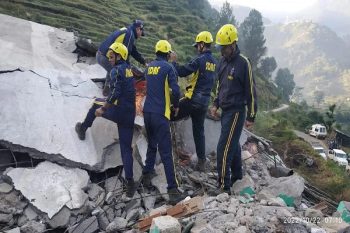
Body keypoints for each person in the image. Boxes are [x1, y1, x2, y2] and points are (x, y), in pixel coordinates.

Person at [75, 42, 136, 197]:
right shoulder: (128, 69)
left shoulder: (116, 70)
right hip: (130, 114)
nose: (109, 59)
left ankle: (82, 128)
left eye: (112, 56)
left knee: (96, 105)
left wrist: (103, 108)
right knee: (126, 149)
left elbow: (115, 92)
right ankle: (130, 184)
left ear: (119, 55)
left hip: (119, 111)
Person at [210, 24, 257, 194]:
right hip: (225, 111)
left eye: (224, 48)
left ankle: (224, 186)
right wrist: (215, 104)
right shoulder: (222, 62)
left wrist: (251, 116)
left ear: (232, 45)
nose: (221, 51)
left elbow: (251, 90)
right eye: (220, 47)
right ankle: (238, 176)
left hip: (236, 111)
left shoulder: (244, 63)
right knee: (233, 144)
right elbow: (219, 86)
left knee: (223, 147)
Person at [141, 40, 186, 205]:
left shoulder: (149, 67)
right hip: (161, 114)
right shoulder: (168, 68)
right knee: (166, 152)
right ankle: (173, 190)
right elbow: (175, 90)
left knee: (152, 145)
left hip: (148, 112)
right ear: (168, 54)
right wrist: (175, 106)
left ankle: (147, 175)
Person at [169, 31, 217, 172]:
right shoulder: (214, 62)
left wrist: (173, 62)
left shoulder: (199, 60)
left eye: (197, 46)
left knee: (169, 115)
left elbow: (183, 71)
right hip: (204, 103)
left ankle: (167, 154)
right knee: (198, 131)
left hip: (192, 99)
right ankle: (201, 162)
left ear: (202, 44)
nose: (196, 48)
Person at [97, 19, 146, 96]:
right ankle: (109, 95)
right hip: (105, 57)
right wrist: (128, 70)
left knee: (112, 68)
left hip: (100, 55)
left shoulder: (127, 31)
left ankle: (106, 90)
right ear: (138, 29)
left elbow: (134, 51)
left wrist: (143, 62)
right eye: (141, 33)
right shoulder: (130, 35)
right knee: (118, 73)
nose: (140, 35)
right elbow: (126, 54)